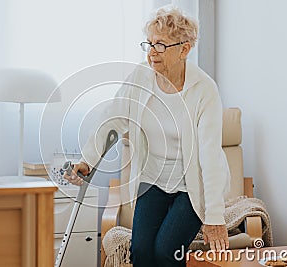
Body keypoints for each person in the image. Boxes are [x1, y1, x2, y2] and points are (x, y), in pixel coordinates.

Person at [64, 6, 230, 267]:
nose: (152, 52)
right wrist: (87, 160)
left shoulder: (204, 90)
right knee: (141, 252)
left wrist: (215, 216)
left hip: (191, 187)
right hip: (153, 181)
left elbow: (209, 156)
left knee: (166, 252)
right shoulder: (140, 77)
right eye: (150, 43)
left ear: (184, 49)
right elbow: (113, 118)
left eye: (161, 45)